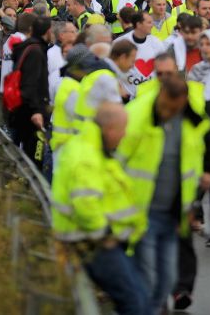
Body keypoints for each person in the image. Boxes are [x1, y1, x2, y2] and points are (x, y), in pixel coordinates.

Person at [117, 74, 210, 314]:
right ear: (160, 97)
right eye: (166, 107)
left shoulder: (191, 123)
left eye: (175, 108)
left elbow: (192, 165)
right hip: (142, 212)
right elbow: (117, 162)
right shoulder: (139, 117)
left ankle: (155, 306)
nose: (169, 112)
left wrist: (191, 206)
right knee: (147, 275)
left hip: (173, 214)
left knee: (169, 278)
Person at [51, 101, 148, 315]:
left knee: (140, 298)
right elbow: (86, 205)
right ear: (110, 129)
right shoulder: (86, 156)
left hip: (98, 241)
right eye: (122, 131)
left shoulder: (93, 147)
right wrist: (106, 234)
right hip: (92, 243)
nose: (123, 137)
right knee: (135, 303)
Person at [10, 16, 53, 167]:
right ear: (47, 31)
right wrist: (36, 111)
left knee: (31, 154)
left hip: (25, 111)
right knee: (36, 157)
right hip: (34, 115)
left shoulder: (29, 47)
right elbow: (30, 84)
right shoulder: (35, 51)